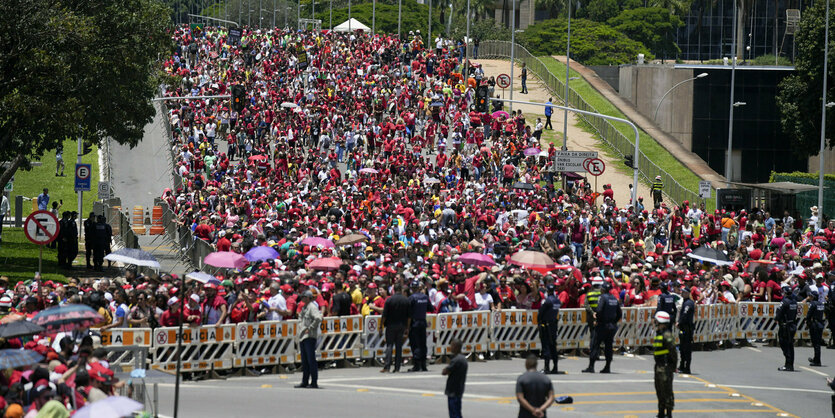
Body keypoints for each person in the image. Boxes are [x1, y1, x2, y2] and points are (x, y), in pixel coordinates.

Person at [583, 281, 621, 373]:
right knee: (608, 346)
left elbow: (599, 310)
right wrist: (614, 322)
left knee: (594, 344)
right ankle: (607, 367)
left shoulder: (602, 298)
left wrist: (597, 319)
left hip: (602, 325)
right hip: (611, 326)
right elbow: (619, 313)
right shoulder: (614, 299)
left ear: (603, 289)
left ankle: (591, 367)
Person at [380, 284, 411, 373]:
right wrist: (407, 328)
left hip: (390, 325)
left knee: (389, 345)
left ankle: (387, 366)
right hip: (401, 325)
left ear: (393, 290)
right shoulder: (406, 300)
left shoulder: (389, 300)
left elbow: (384, 315)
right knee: (399, 347)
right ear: (401, 290)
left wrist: (381, 326)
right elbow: (409, 317)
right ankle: (397, 367)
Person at [296, 290, 322, 389]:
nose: (302, 299)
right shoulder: (305, 307)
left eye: (303, 297)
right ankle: (305, 381)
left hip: (309, 336)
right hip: (303, 336)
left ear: (307, 297)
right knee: (305, 361)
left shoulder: (312, 307)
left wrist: (310, 328)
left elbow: (318, 318)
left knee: (311, 360)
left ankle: (314, 382)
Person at [653, 311, 677, 418]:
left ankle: (669, 412)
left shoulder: (666, 335)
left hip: (665, 366)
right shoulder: (659, 334)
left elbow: (673, 352)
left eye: (657, 321)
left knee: (667, 391)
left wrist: (673, 365)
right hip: (658, 366)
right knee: (659, 390)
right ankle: (661, 411)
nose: (655, 323)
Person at [408, 280, 431, 372]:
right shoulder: (425, 297)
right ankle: (424, 365)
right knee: (423, 344)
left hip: (414, 323)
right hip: (423, 322)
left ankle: (417, 365)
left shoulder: (411, 298)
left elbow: (408, 311)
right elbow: (431, 308)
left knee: (415, 344)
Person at [538, 283, 561, 374]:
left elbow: (540, 313)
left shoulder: (547, 301)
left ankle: (546, 368)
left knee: (546, 347)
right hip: (553, 325)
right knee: (553, 347)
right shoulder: (557, 301)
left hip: (546, 325)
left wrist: (539, 323)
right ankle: (555, 367)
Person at [443, 338, 468, 418]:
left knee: (454, 413)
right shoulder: (463, 359)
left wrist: (445, 370)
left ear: (457, 347)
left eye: (452, 346)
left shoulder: (456, 360)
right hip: (459, 389)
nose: (451, 348)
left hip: (453, 391)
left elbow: (445, 371)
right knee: (457, 412)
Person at [776, 285, 798, 371]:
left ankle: (788, 364)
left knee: (784, 344)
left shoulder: (784, 302)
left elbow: (779, 313)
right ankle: (790, 364)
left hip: (785, 326)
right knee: (790, 345)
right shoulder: (794, 302)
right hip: (792, 324)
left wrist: (777, 319)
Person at [678, 286, 695, 374]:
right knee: (682, 347)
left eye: (684, 292)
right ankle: (682, 365)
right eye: (682, 292)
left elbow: (685, 314)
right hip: (683, 329)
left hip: (686, 329)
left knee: (686, 348)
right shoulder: (685, 302)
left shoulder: (688, 303)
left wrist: (679, 322)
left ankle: (686, 367)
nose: (682, 293)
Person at [807, 290, 825, 367]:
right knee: (817, 343)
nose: (809, 297)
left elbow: (809, 315)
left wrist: (808, 323)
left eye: (810, 296)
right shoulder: (821, 304)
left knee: (815, 343)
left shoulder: (813, 304)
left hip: (815, 324)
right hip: (820, 324)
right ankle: (816, 358)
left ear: (813, 297)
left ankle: (817, 361)